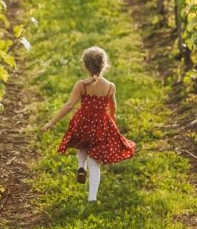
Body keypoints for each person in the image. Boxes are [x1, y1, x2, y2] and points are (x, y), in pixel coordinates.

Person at [42, 46, 135, 202]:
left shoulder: (82, 85)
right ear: (104, 65)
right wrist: (112, 117)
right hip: (101, 125)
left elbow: (69, 105)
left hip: (83, 122)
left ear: (85, 66)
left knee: (82, 146)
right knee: (95, 162)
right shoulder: (110, 87)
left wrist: (51, 122)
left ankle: (80, 166)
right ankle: (92, 198)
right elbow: (113, 106)